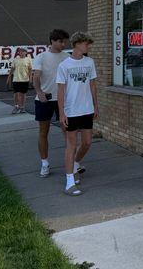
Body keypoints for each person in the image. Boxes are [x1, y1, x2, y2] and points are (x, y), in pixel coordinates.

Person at [56, 31, 98, 196]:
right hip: (71, 110)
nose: (88, 47)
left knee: (87, 142)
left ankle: (75, 163)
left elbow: (92, 85)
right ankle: (69, 182)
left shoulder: (89, 62)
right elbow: (60, 90)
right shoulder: (64, 65)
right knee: (71, 145)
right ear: (77, 44)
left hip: (87, 108)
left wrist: (96, 105)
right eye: (86, 44)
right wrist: (62, 113)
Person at [31, 29, 70, 178]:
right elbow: (36, 77)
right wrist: (39, 92)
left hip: (63, 100)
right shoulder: (41, 57)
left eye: (64, 42)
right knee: (43, 131)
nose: (63, 44)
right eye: (60, 41)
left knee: (68, 130)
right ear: (52, 41)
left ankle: (72, 162)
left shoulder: (67, 57)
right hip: (45, 100)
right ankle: (45, 163)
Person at [5, 47, 32, 114]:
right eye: (20, 51)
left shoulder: (28, 60)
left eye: (23, 51)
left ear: (26, 52)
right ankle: (16, 106)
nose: (21, 52)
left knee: (23, 94)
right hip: (16, 79)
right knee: (16, 93)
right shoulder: (15, 60)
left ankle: (22, 107)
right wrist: (8, 78)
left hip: (25, 80)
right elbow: (12, 69)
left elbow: (30, 70)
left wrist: (30, 78)